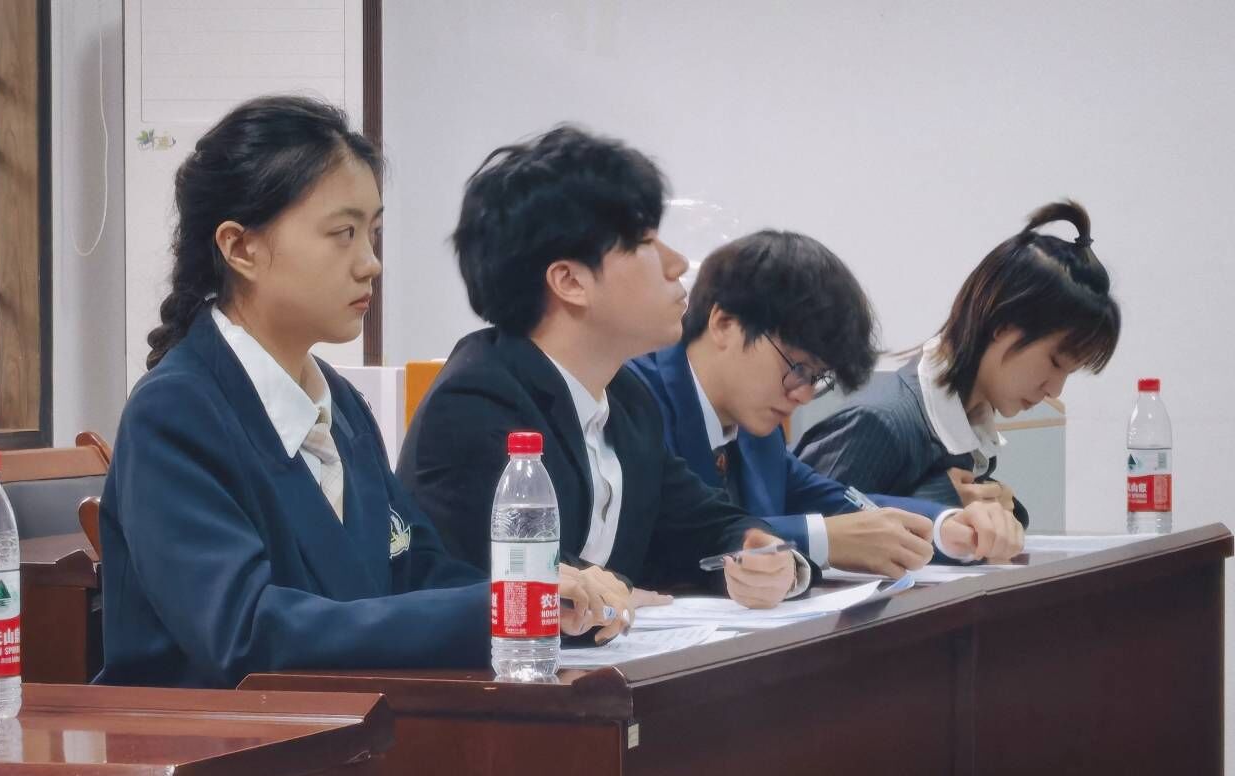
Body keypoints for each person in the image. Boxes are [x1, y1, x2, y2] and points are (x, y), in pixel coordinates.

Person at [98, 97, 628, 689]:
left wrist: (541, 597)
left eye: (373, 233)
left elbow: (416, 571)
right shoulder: (175, 413)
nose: (370, 263)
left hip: (345, 726)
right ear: (240, 247)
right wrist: (489, 610)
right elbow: (244, 631)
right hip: (215, 739)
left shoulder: (341, 403)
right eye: (342, 234)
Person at [398, 126, 806, 608]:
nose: (677, 264)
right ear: (570, 281)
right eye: (646, 243)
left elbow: (701, 524)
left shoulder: (627, 399)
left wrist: (756, 550)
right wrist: (622, 595)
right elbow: (512, 572)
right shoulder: (475, 402)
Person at [630, 230, 1024, 576]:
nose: (802, 395)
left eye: (816, 377)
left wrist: (947, 526)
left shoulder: (755, 430)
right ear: (725, 324)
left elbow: (835, 500)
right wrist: (822, 539)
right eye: (797, 367)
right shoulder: (634, 399)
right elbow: (662, 540)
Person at [795, 202, 1120, 522]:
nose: (1055, 389)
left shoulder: (967, 427)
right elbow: (801, 535)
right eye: (1055, 362)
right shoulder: (882, 422)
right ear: (1003, 326)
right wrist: (942, 503)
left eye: (1069, 373)